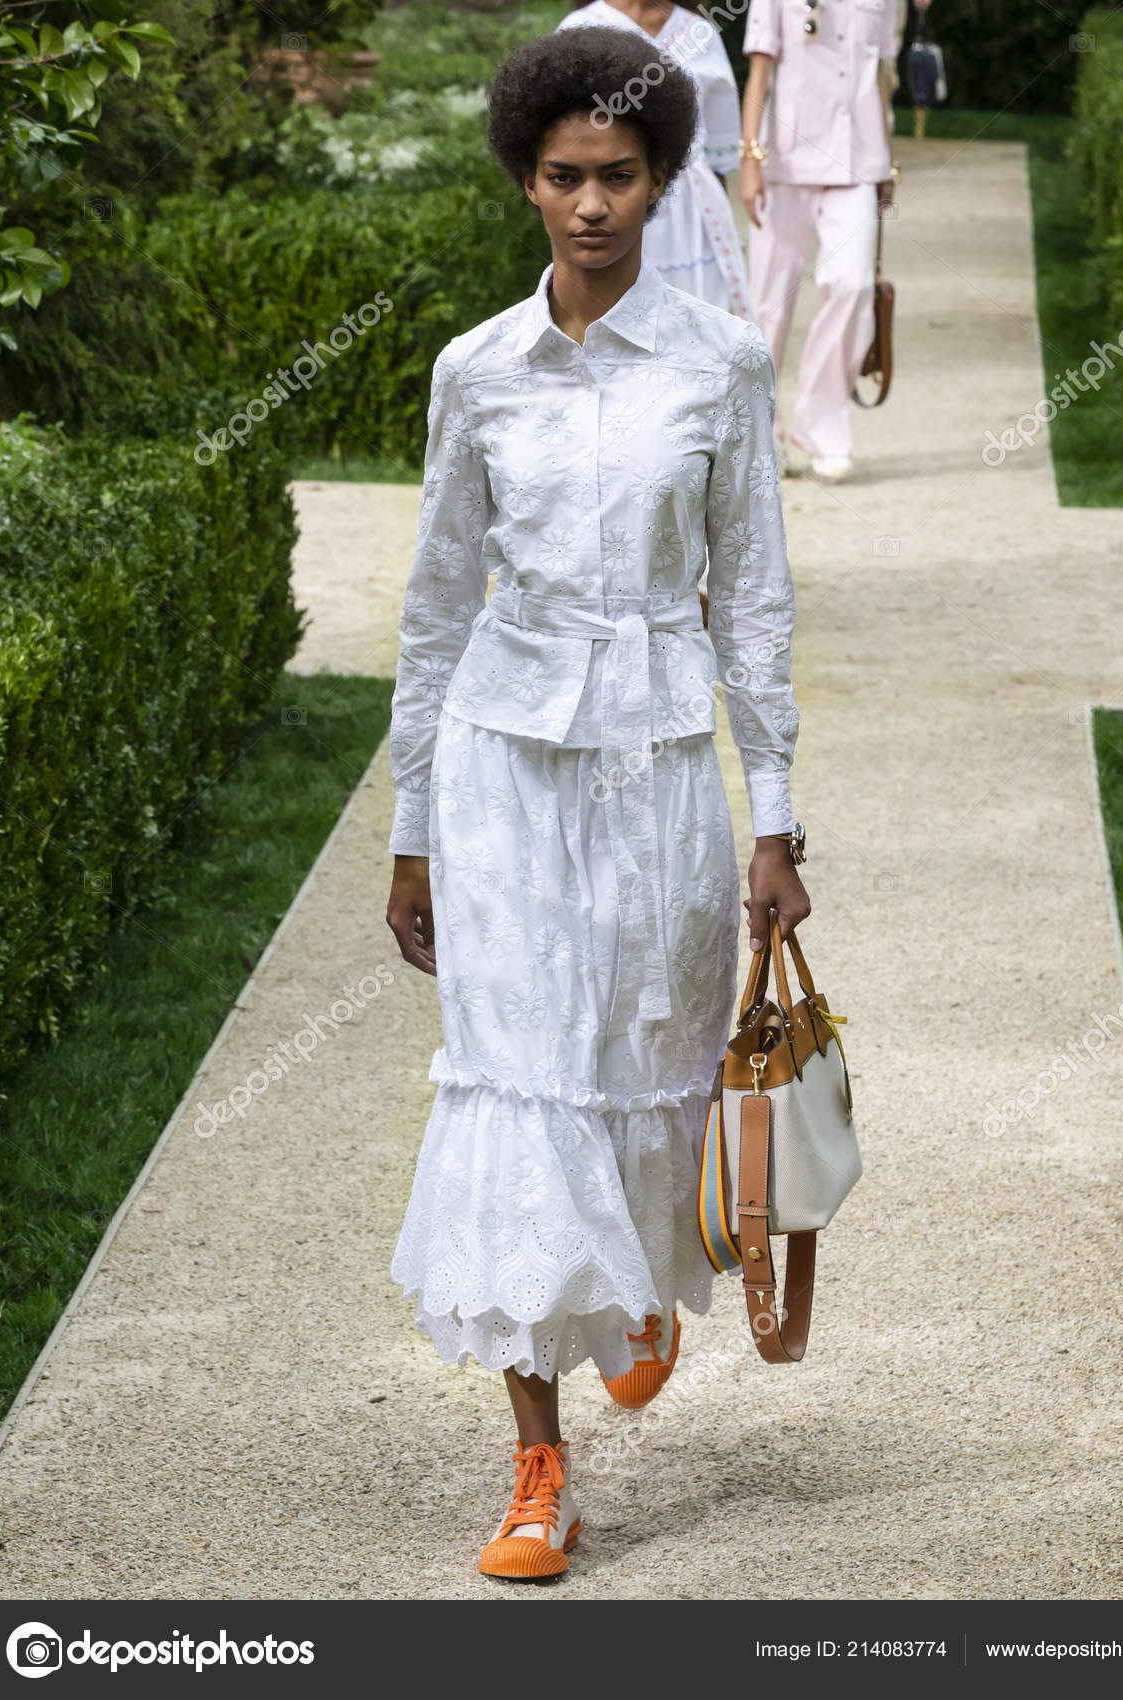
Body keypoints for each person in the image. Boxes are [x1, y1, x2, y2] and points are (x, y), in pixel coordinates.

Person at [384, 23, 809, 1581]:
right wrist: (410, 829)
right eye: (561, 178)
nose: (589, 208)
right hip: (500, 771)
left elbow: (753, 604)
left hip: (655, 772)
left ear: (660, 179)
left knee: (654, 1056)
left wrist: (774, 818)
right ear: (523, 179)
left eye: (617, 178)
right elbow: (434, 613)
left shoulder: (718, 362)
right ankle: (535, 1465)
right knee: (517, 1081)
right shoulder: (477, 374)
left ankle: (634, 1288)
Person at [739, 0, 902, 481]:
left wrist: (887, 160)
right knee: (769, 306)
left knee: (852, 286)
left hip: (859, 161)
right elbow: (759, 74)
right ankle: (760, 433)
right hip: (785, 165)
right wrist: (752, 159)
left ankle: (821, 426)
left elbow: (881, 76)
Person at [557, 1, 755, 323]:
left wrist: (720, 227)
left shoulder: (699, 32)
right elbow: (562, 142)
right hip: (607, 201)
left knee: (698, 324)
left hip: (691, 212)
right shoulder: (579, 28)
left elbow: (719, 149)